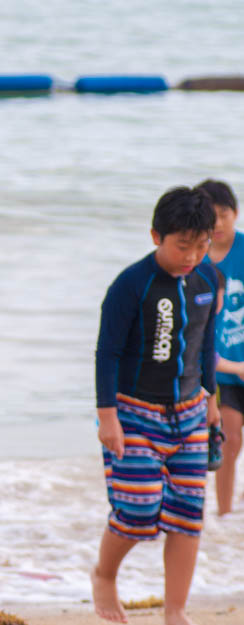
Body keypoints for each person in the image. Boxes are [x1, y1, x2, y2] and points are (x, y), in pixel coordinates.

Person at [91, 186, 220, 625]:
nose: (192, 256)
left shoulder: (208, 280)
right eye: (183, 246)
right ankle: (104, 575)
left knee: (187, 516)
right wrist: (107, 417)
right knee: (139, 508)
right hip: (133, 411)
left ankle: (176, 611)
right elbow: (106, 352)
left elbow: (205, 345)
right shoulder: (132, 284)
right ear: (155, 236)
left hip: (191, 413)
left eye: (201, 246)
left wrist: (212, 400)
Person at [197, 179, 244, 514]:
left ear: (236, 214)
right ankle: (225, 514)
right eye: (211, 215)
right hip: (221, 372)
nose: (218, 222)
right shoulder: (194, 260)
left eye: (224, 213)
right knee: (229, 440)